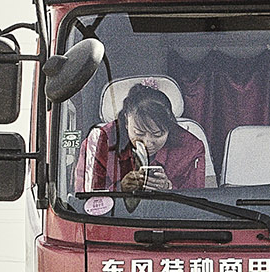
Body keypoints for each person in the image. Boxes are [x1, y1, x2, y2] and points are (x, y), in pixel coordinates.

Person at [78, 82, 211, 193]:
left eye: (157, 134)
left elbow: (195, 201)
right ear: (126, 121)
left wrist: (169, 188)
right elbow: (85, 197)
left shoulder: (191, 147)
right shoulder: (98, 143)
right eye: (139, 133)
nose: (147, 143)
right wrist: (119, 189)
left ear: (170, 127)